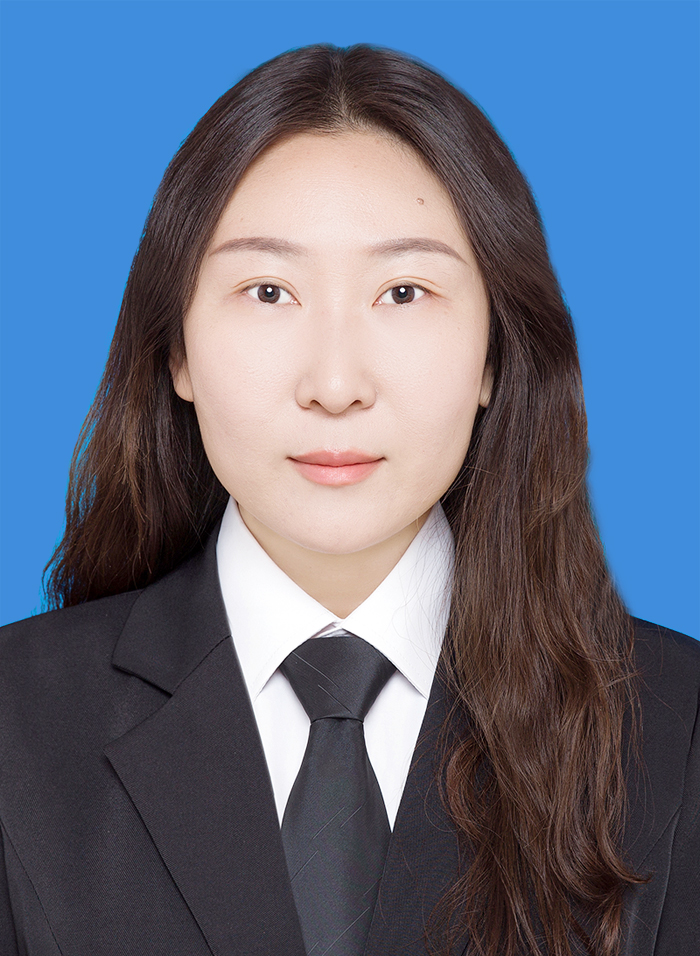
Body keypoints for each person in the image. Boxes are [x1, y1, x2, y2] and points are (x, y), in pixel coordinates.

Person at [0, 43, 697, 956]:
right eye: (269, 291)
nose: (335, 385)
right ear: (176, 351)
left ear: (494, 354)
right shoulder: (16, 718)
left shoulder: (676, 723)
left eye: (403, 292)